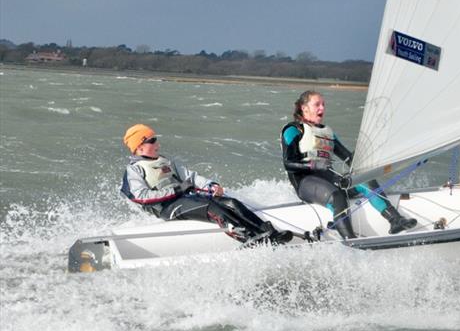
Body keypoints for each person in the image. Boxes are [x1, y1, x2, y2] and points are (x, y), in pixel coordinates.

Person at [120, 123, 292, 245]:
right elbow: (140, 197)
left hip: (185, 198)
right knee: (212, 207)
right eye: (152, 140)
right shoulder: (134, 170)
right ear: (140, 147)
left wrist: (211, 185)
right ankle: (247, 237)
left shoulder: (166, 160)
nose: (157, 143)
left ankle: (267, 231)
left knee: (230, 202)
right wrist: (177, 189)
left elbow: (191, 177)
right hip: (167, 208)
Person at [280, 91, 416, 239]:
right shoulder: (293, 130)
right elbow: (288, 164)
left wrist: (372, 159)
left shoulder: (327, 133)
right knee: (337, 195)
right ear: (304, 108)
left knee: (364, 180)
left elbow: (348, 158)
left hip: (329, 179)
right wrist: (313, 165)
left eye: (323, 105)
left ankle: (395, 220)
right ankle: (350, 239)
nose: (322, 109)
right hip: (305, 184)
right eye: (317, 105)